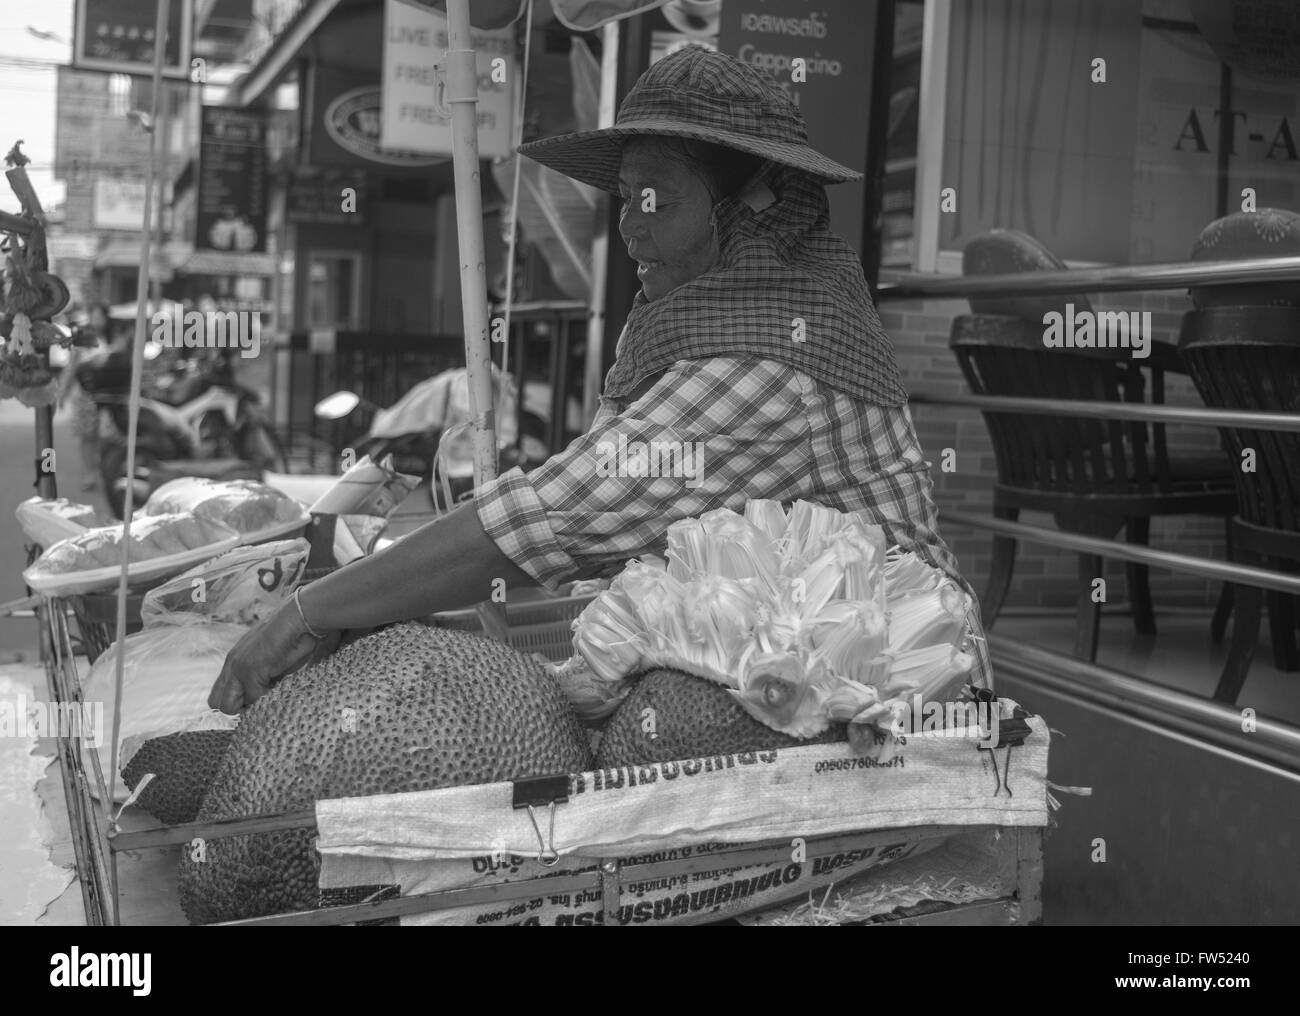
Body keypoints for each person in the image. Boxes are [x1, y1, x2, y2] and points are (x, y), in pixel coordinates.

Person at [209, 46, 989, 714]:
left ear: (748, 208)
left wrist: (309, 614)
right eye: (625, 198)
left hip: (890, 694)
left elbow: (557, 513)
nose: (629, 225)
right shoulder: (713, 317)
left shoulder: (773, 358)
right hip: (786, 664)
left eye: (659, 198)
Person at [57, 303, 112, 491]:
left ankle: (99, 469)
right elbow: (71, 367)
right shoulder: (83, 336)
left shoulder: (111, 336)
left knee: (102, 436)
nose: (98, 320)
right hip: (85, 395)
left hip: (107, 395)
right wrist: (62, 393)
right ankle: (90, 473)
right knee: (87, 435)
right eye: (94, 316)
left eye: (101, 316)